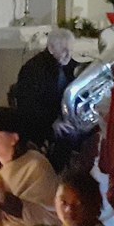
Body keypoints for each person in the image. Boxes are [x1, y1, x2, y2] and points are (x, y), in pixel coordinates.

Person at [9, 28, 80, 159]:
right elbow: (28, 106)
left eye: (71, 51)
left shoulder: (66, 63)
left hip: (61, 119)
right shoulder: (33, 69)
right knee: (71, 136)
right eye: (64, 50)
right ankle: (55, 170)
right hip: (40, 124)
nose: (68, 55)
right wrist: (53, 123)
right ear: (51, 48)